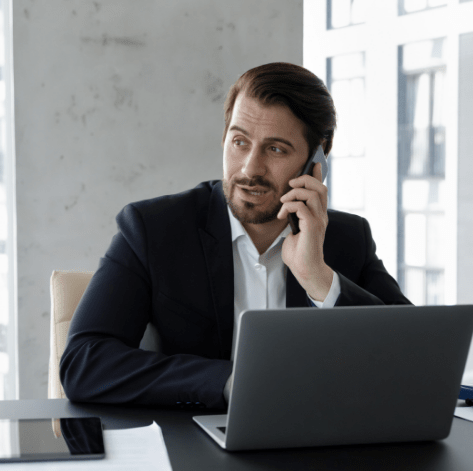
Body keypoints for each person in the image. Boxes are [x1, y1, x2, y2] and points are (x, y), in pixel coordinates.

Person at [60, 62, 411, 409]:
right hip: (198, 447)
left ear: (317, 160)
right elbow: (84, 363)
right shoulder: (153, 228)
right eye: (240, 142)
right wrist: (231, 382)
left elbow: (412, 362)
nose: (249, 169)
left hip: (321, 449)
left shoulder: (347, 237)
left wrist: (318, 278)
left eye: (275, 149)